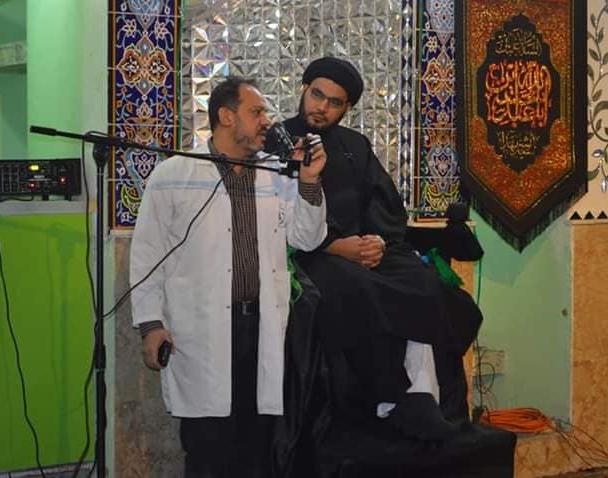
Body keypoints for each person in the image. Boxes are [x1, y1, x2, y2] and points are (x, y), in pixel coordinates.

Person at [130, 76, 328, 478]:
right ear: (226, 116)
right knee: (209, 449)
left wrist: (309, 181)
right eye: (256, 112)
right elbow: (147, 255)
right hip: (200, 332)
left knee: (257, 447)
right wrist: (151, 325)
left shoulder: (277, 175)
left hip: (261, 327)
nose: (266, 121)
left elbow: (307, 238)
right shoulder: (175, 174)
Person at [278, 57, 483, 441]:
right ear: (304, 89)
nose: (322, 107)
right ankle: (389, 398)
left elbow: (383, 205)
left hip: (363, 249)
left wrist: (376, 242)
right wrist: (337, 247)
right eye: (317, 95)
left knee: (424, 283)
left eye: (334, 102)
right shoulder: (277, 142)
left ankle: (423, 395)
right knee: (360, 288)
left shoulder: (355, 146)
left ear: (346, 108)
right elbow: (279, 218)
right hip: (309, 256)